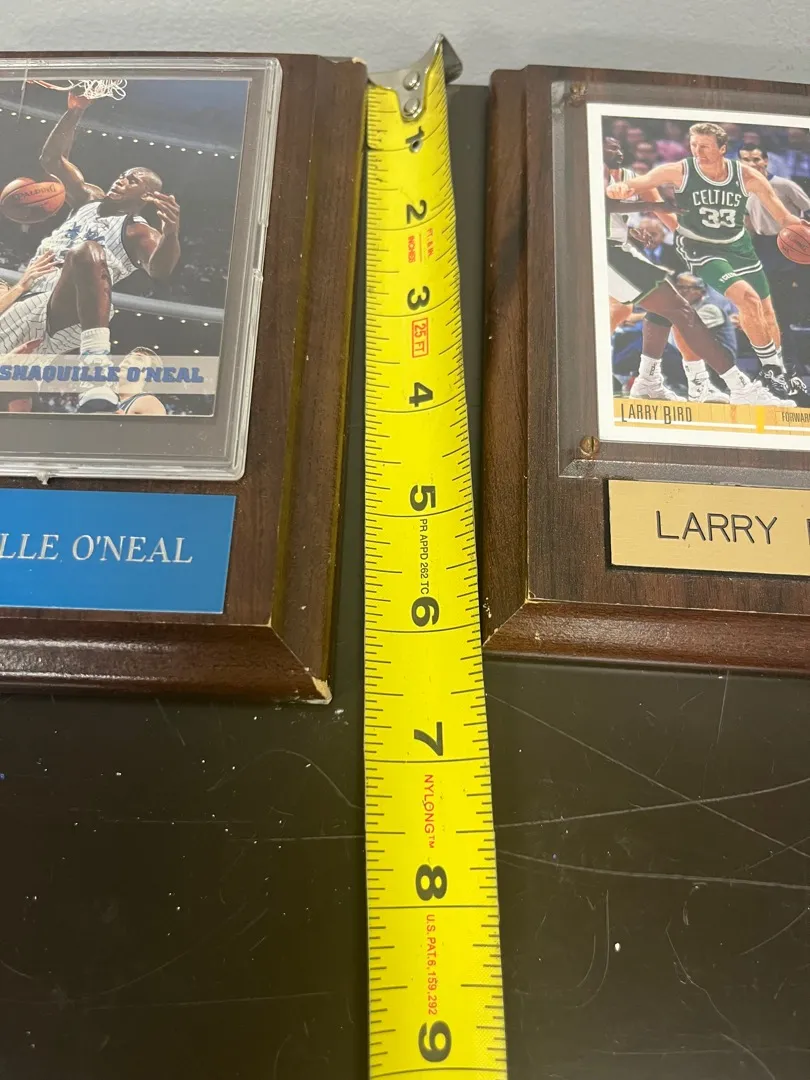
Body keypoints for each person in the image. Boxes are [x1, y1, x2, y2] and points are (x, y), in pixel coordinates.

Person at [607, 121, 809, 405]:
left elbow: (783, 215)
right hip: (697, 247)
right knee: (730, 301)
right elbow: (638, 186)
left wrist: (797, 226)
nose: (697, 151)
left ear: (723, 149)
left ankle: (768, 371)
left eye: (704, 146)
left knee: (762, 310)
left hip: (736, 245)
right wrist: (625, 189)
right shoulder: (680, 170)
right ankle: (737, 386)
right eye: (693, 145)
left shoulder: (746, 175)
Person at [0, 89, 181, 365]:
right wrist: (75, 111)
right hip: (28, 297)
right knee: (11, 381)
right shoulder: (88, 197)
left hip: (70, 308)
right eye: (122, 175)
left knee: (86, 252)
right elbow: (51, 160)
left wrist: (170, 234)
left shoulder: (140, 232)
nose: (121, 180)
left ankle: (95, 358)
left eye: (132, 181)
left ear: (146, 195)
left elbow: (160, 270)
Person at [602, 136, 740, 401]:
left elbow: (664, 215)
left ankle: (652, 382)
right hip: (597, 249)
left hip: (618, 246)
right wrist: (653, 206)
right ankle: (727, 385)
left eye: (619, 146)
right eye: (611, 146)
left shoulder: (631, 177)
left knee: (659, 310)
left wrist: (693, 238)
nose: (617, 150)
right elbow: (600, 206)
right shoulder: (591, 171)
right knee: (668, 309)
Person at [739, 143, 810, 395]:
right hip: (764, 248)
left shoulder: (784, 185)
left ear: (766, 161)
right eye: (746, 160)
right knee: (774, 312)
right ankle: (788, 366)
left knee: (798, 309)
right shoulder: (742, 189)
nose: (752, 164)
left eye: (756, 159)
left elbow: (807, 210)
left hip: (794, 246)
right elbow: (748, 222)